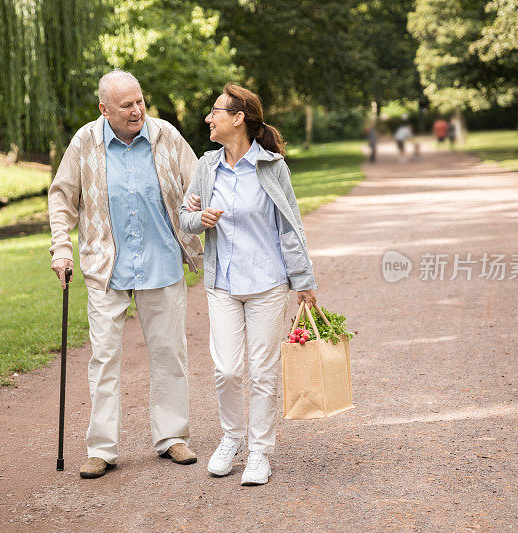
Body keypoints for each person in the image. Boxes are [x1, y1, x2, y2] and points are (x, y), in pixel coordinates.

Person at [47, 70, 204, 479]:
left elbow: (199, 182)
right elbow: (62, 198)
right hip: (106, 266)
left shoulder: (165, 135)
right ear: (104, 109)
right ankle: (102, 448)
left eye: (139, 102)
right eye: (126, 106)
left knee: (170, 353)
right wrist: (61, 248)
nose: (137, 111)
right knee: (103, 358)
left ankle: (172, 437)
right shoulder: (85, 142)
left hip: (162, 260)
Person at [179, 84, 317, 486]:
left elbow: (290, 227)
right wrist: (199, 220)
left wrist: (303, 282)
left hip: (268, 283)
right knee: (226, 369)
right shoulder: (207, 166)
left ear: (238, 118)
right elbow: (184, 215)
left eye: (215, 111)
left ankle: (259, 451)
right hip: (222, 282)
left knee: (262, 371)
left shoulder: (272, 167)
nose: (209, 118)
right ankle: (231, 437)